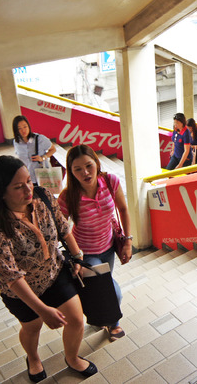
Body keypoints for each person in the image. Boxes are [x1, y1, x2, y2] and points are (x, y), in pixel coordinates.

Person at [0, 156, 97, 382]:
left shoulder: (42, 196)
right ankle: (33, 358)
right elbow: (10, 275)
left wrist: (78, 256)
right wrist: (42, 309)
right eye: (18, 186)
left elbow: (63, 227)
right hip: (21, 291)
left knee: (77, 319)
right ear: (1, 192)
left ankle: (71, 358)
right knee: (33, 327)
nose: (28, 189)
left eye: (29, 181)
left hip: (54, 273)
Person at [58, 145, 132, 342]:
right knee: (112, 292)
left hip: (108, 247)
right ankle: (113, 323)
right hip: (84, 254)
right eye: (78, 169)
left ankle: (99, 317)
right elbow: (60, 228)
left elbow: (123, 209)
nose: (85, 173)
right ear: (71, 172)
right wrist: (74, 255)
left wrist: (128, 241)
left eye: (89, 166)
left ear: (97, 164)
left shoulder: (110, 181)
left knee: (101, 288)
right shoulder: (68, 196)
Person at [12, 115, 57, 184]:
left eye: (25, 126)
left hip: (42, 175)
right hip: (28, 178)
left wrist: (43, 158)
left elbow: (53, 149)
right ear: (16, 130)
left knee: (45, 193)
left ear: (28, 126)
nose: (23, 130)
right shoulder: (16, 142)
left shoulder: (40, 139)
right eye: (19, 128)